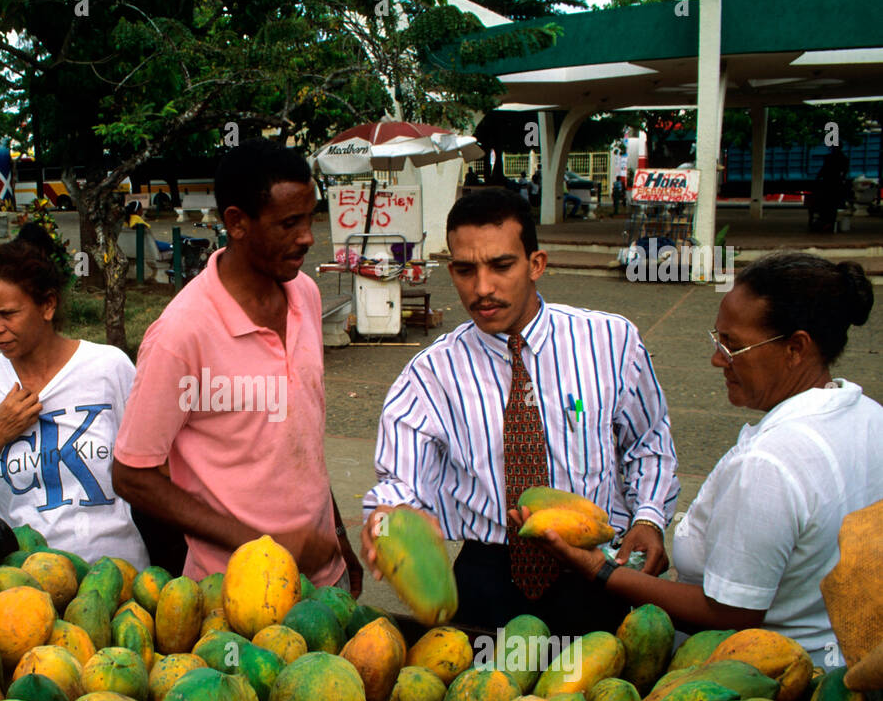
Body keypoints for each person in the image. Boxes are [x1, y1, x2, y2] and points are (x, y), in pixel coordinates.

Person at [522, 253, 880, 667]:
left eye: (733, 346)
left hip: (758, 675)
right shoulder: (869, 416)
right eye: (718, 341)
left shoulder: (771, 462)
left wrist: (600, 571)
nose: (717, 359)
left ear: (796, 348)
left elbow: (730, 612)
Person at [360, 187, 680, 636]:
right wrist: (388, 520)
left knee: (602, 698)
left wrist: (649, 518)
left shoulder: (611, 342)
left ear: (536, 264)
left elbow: (648, 444)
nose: (482, 288)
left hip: (597, 571)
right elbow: (399, 483)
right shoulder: (430, 374)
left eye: (501, 266)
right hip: (486, 579)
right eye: (466, 270)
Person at [111, 138, 364, 594]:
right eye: (289, 223)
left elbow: (299, 438)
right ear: (236, 223)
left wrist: (340, 538)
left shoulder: (304, 293)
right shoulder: (180, 335)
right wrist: (265, 546)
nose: (307, 236)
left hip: (324, 579)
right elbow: (133, 475)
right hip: (237, 595)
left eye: (310, 218)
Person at [0, 223, 149, 571]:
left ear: (48, 305)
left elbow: (150, 465)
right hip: (26, 586)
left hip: (120, 574)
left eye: (7, 314)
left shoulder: (108, 368)